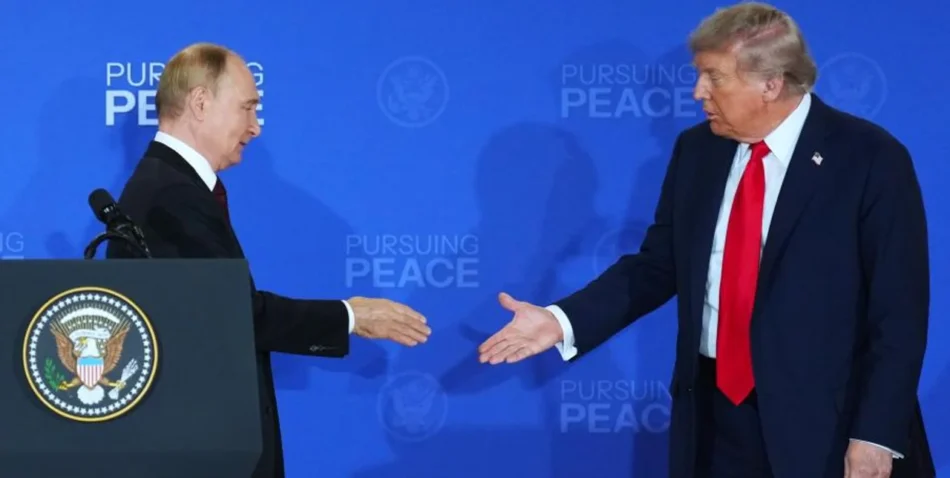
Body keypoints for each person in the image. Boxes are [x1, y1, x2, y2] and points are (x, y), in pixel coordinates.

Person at [477, 3, 934, 477]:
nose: (698, 92)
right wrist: (561, 321)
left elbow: (899, 314)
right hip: (715, 420)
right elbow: (658, 265)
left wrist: (875, 435)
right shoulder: (698, 151)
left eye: (714, 77)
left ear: (771, 83)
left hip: (827, 427)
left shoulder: (869, 158)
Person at [106, 43, 432, 478]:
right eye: (247, 108)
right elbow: (229, 315)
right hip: (203, 450)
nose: (256, 127)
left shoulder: (170, 185)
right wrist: (350, 316)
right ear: (200, 103)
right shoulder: (171, 195)